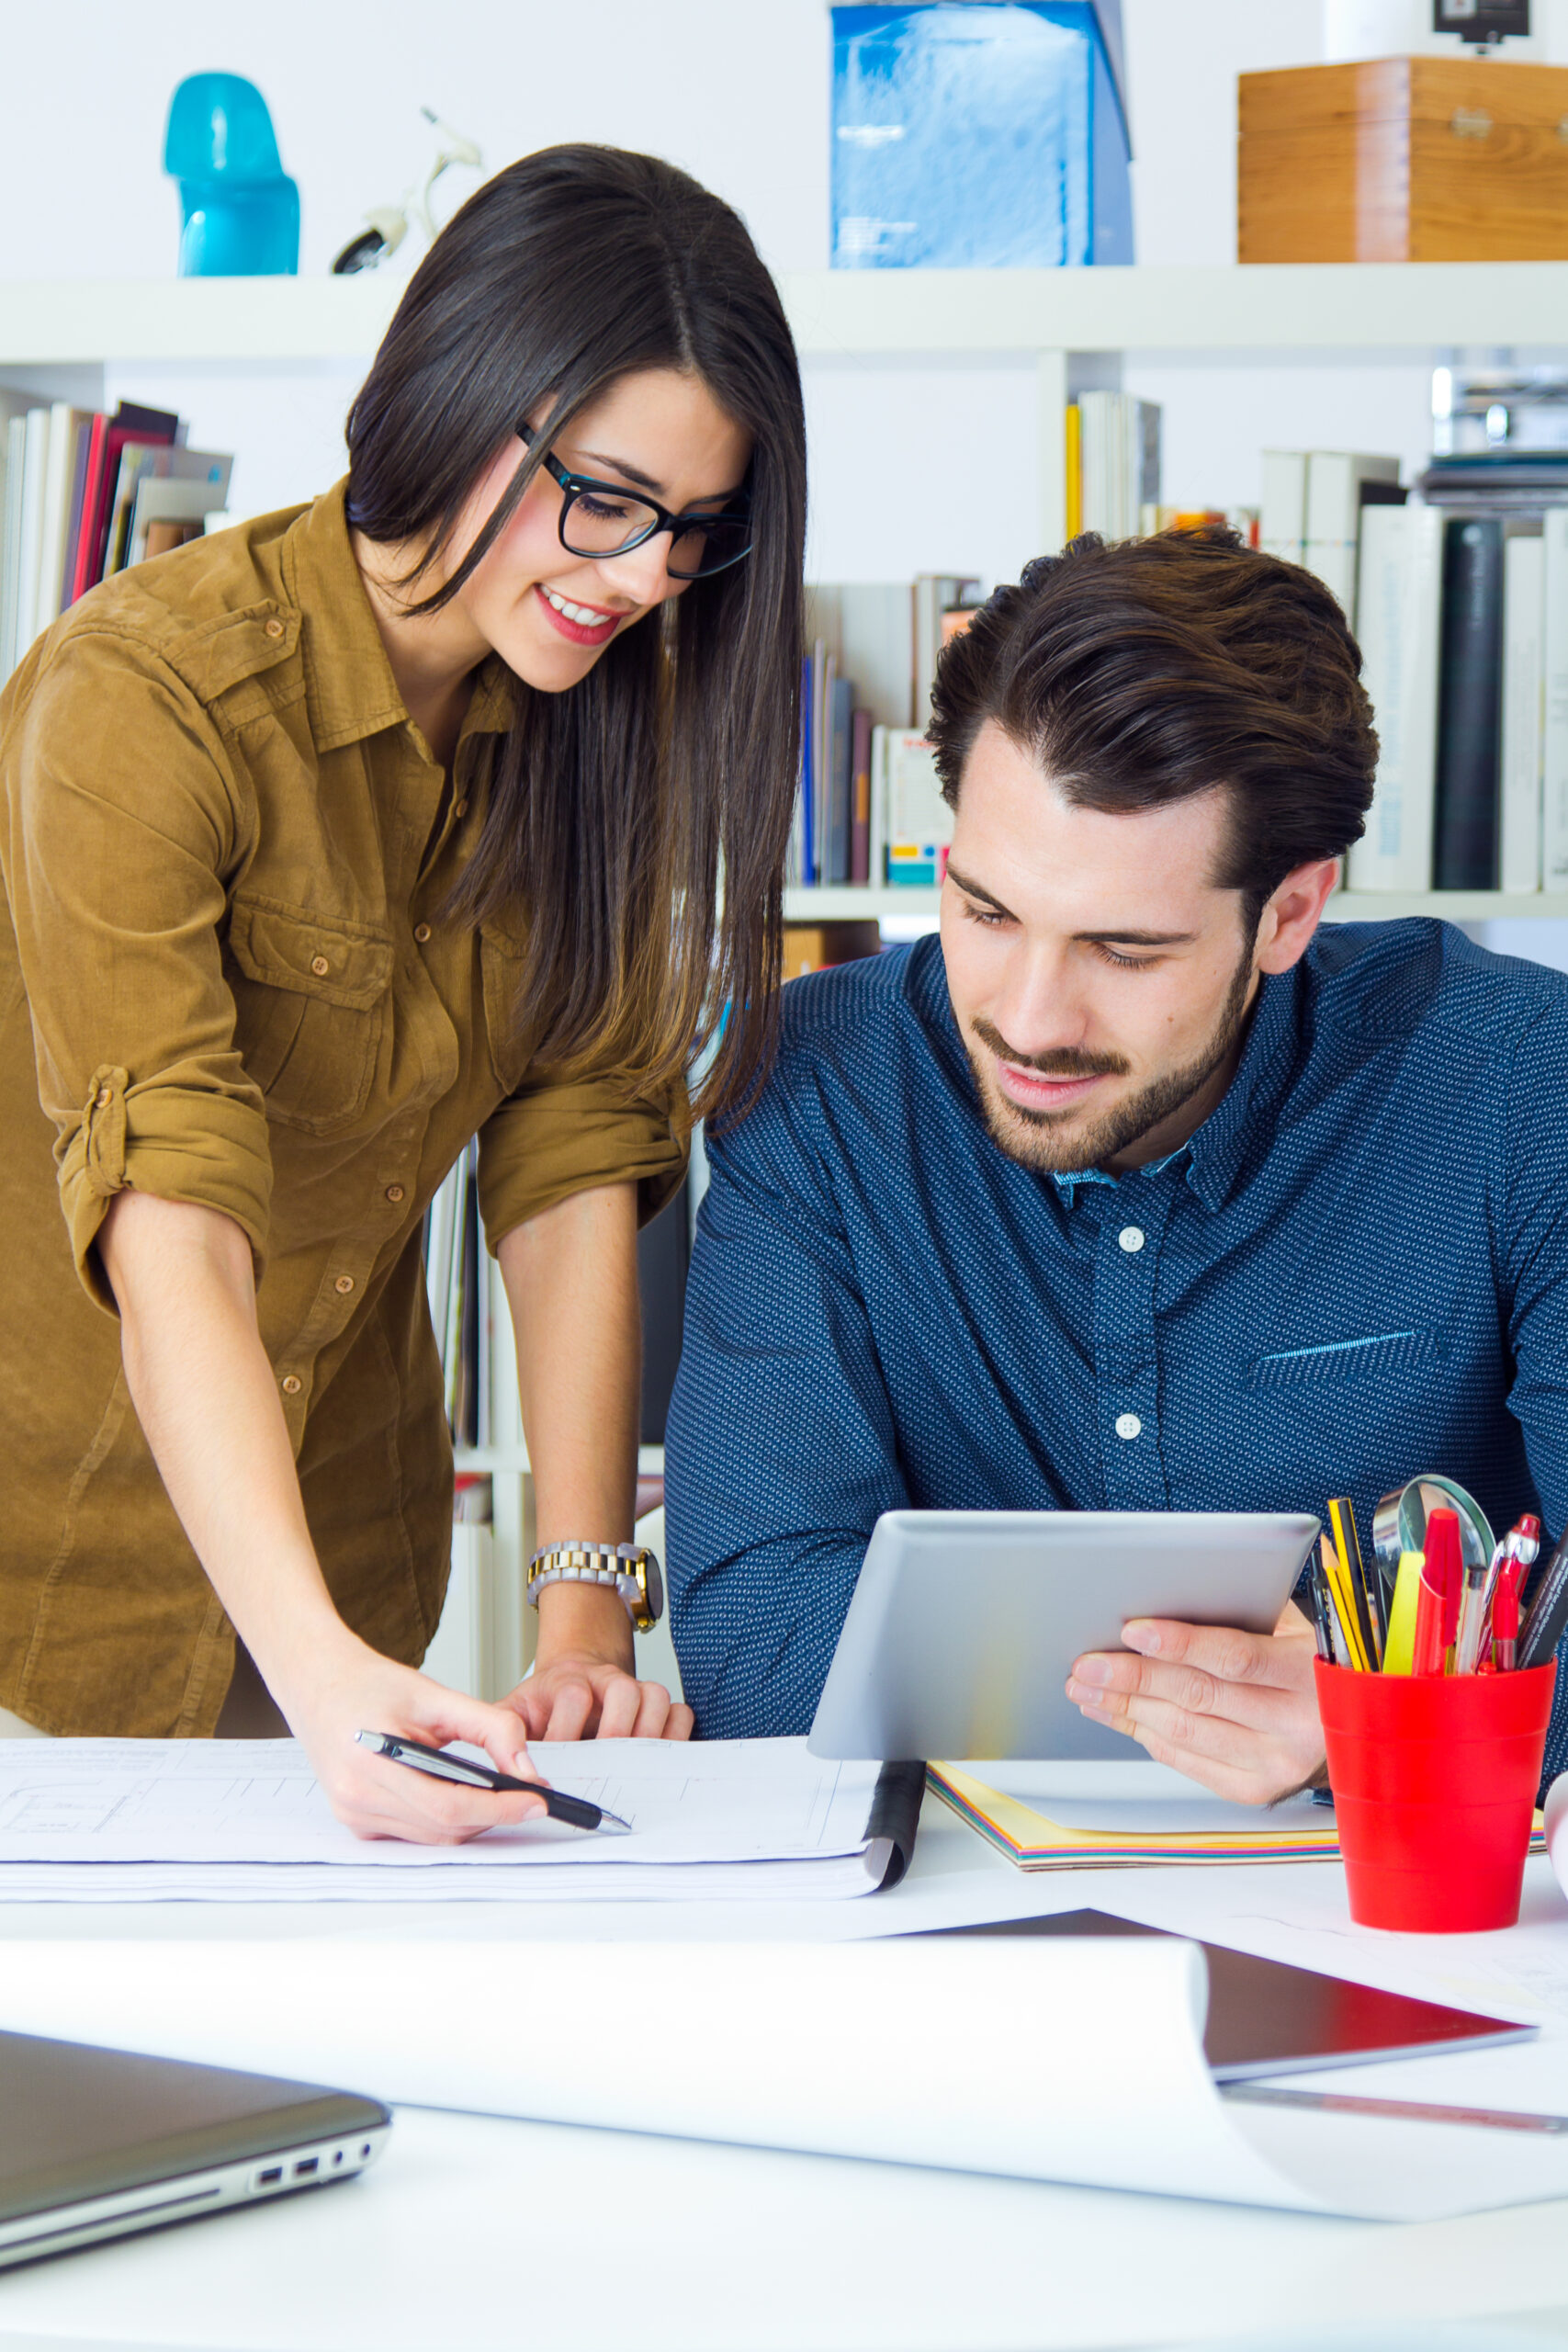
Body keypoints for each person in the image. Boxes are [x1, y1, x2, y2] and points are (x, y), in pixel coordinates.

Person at [0, 144, 806, 1839]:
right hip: (46, 1583)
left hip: (349, 1578)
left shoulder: (606, 723)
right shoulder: (142, 697)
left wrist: (583, 1609)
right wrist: (318, 1673)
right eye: (608, 499)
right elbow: (171, 1215)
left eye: (694, 532)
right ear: (462, 390)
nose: (642, 577)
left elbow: (572, 1161)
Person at [666, 526, 1568, 1800]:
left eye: (1124, 949)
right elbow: (754, 1638)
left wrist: (1379, 1727)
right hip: (954, 1896)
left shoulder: (1518, 1085)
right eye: (987, 912)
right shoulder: (818, 1089)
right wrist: (1286, 1698)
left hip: (1393, 1886)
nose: (1030, 1021)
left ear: (1290, 913)